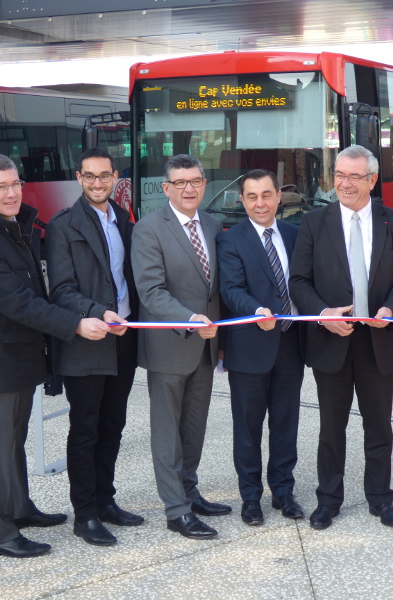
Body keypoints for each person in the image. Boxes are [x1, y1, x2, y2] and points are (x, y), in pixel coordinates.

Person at [0, 153, 111, 558]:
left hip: (18, 358)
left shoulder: (11, 226)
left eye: (15, 184)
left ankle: (20, 509)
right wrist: (75, 324)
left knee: (14, 442)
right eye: (0, 186)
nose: (11, 193)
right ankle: (1, 534)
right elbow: (20, 303)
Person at [289, 145, 393, 530]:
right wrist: (323, 315)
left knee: (379, 427)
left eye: (354, 176)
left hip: (379, 339)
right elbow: (299, 281)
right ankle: (328, 500)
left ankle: (381, 500)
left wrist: (391, 310)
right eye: (339, 175)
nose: (344, 183)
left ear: (372, 180)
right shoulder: (313, 223)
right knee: (331, 429)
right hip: (332, 340)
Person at [46, 148, 143, 546]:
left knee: (113, 425)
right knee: (85, 430)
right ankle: (84, 514)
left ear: (115, 176)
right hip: (87, 342)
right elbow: (61, 290)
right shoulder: (63, 226)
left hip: (123, 342)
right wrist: (98, 313)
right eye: (90, 176)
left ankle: (106, 501)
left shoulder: (124, 219)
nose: (98, 182)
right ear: (79, 177)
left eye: (105, 175)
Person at [131, 154, 230, 539]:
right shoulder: (149, 229)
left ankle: (190, 492)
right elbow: (151, 291)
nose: (189, 188)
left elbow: (214, 291)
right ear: (166, 188)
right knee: (167, 432)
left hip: (206, 347)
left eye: (196, 181)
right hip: (170, 345)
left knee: (194, 428)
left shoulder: (213, 223)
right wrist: (189, 320)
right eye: (180, 182)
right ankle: (176, 510)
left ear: (204, 184)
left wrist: (220, 341)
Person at [216, 169, 305, 526]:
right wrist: (255, 310)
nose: (260, 203)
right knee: (248, 429)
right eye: (252, 197)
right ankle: (250, 497)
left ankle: (283, 492)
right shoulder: (231, 240)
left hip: (289, 343)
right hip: (250, 346)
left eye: (266, 195)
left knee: (286, 424)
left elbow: (303, 283)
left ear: (278, 196)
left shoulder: (295, 235)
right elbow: (230, 289)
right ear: (242, 201)